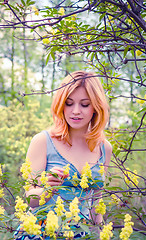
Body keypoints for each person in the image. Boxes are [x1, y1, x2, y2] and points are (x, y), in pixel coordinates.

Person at [17, 71, 112, 238]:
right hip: (41, 232)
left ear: (96, 107)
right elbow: (30, 199)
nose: (75, 111)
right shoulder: (43, 141)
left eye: (84, 104)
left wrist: (101, 234)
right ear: (61, 105)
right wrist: (48, 188)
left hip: (80, 234)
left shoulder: (104, 148)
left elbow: (97, 203)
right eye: (69, 103)